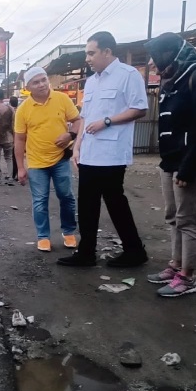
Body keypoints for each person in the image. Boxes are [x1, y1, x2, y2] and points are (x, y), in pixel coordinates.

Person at [58, 31, 148, 268]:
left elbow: (140, 109)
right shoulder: (92, 81)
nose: (88, 58)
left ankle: (134, 250)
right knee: (87, 205)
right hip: (89, 153)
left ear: (107, 52)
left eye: (91, 53)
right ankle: (86, 252)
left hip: (111, 154)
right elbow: (86, 118)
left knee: (115, 203)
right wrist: (76, 147)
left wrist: (108, 121)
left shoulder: (127, 75)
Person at [143, 33, 196, 297]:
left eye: (156, 58)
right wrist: (169, 163)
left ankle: (187, 277)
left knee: (188, 220)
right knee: (173, 216)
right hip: (171, 161)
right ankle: (176, 266)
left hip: (193, 163)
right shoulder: (172, 79)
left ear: (170, 54)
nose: (154, 65)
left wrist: (188, 166)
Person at [15, 67, 81, 252]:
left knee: (66, 196)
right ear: (28, 87)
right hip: (36, 163)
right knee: (40, 200)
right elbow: (19, 139)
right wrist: (21, 167)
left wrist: (70, 135)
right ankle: (43, 237)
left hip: (60, 159)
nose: (42, 84)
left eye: (43, 79)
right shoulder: (23, 110)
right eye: (36, 82)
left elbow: (77, 120)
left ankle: (69, 232)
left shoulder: (62, 99)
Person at [9, 96, 20, 181]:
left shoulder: (13, 112)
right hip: (22, 136)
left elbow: (13, 126)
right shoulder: (20, 110)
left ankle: (15, 174)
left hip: (16, 136)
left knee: (15, 156)